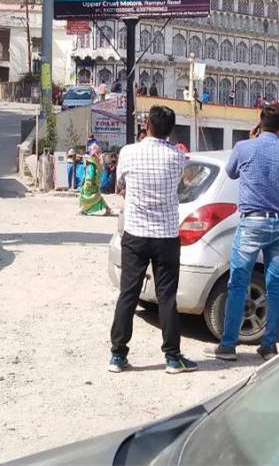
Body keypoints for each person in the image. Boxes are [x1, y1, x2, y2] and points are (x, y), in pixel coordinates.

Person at [206, 104, 279, 362]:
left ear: (259, 123)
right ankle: (269, 345)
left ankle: (228, 345)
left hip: (252, 222)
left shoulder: (244, 148)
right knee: (275, 284)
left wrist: (251, 140)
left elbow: (231, 172)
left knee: (238, 282)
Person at [109, 105, 196, 375]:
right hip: (166, 235)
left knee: (128, 293)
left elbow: (119, 186)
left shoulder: (128, 152)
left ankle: (118, 355)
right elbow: (182, 184)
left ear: (146, 124)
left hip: (136, 233)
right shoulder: (178, 157)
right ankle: (173, 358)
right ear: (170, 131)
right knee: (167, 297)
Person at [79, 144, 112, 216]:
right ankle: (107, 209)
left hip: (89, 184)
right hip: (95, 183)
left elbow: (90, 174)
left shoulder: (91, 163)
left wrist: (88, 181)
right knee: (97, 197)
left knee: (86, 197)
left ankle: (83, 210)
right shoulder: (97, 163)